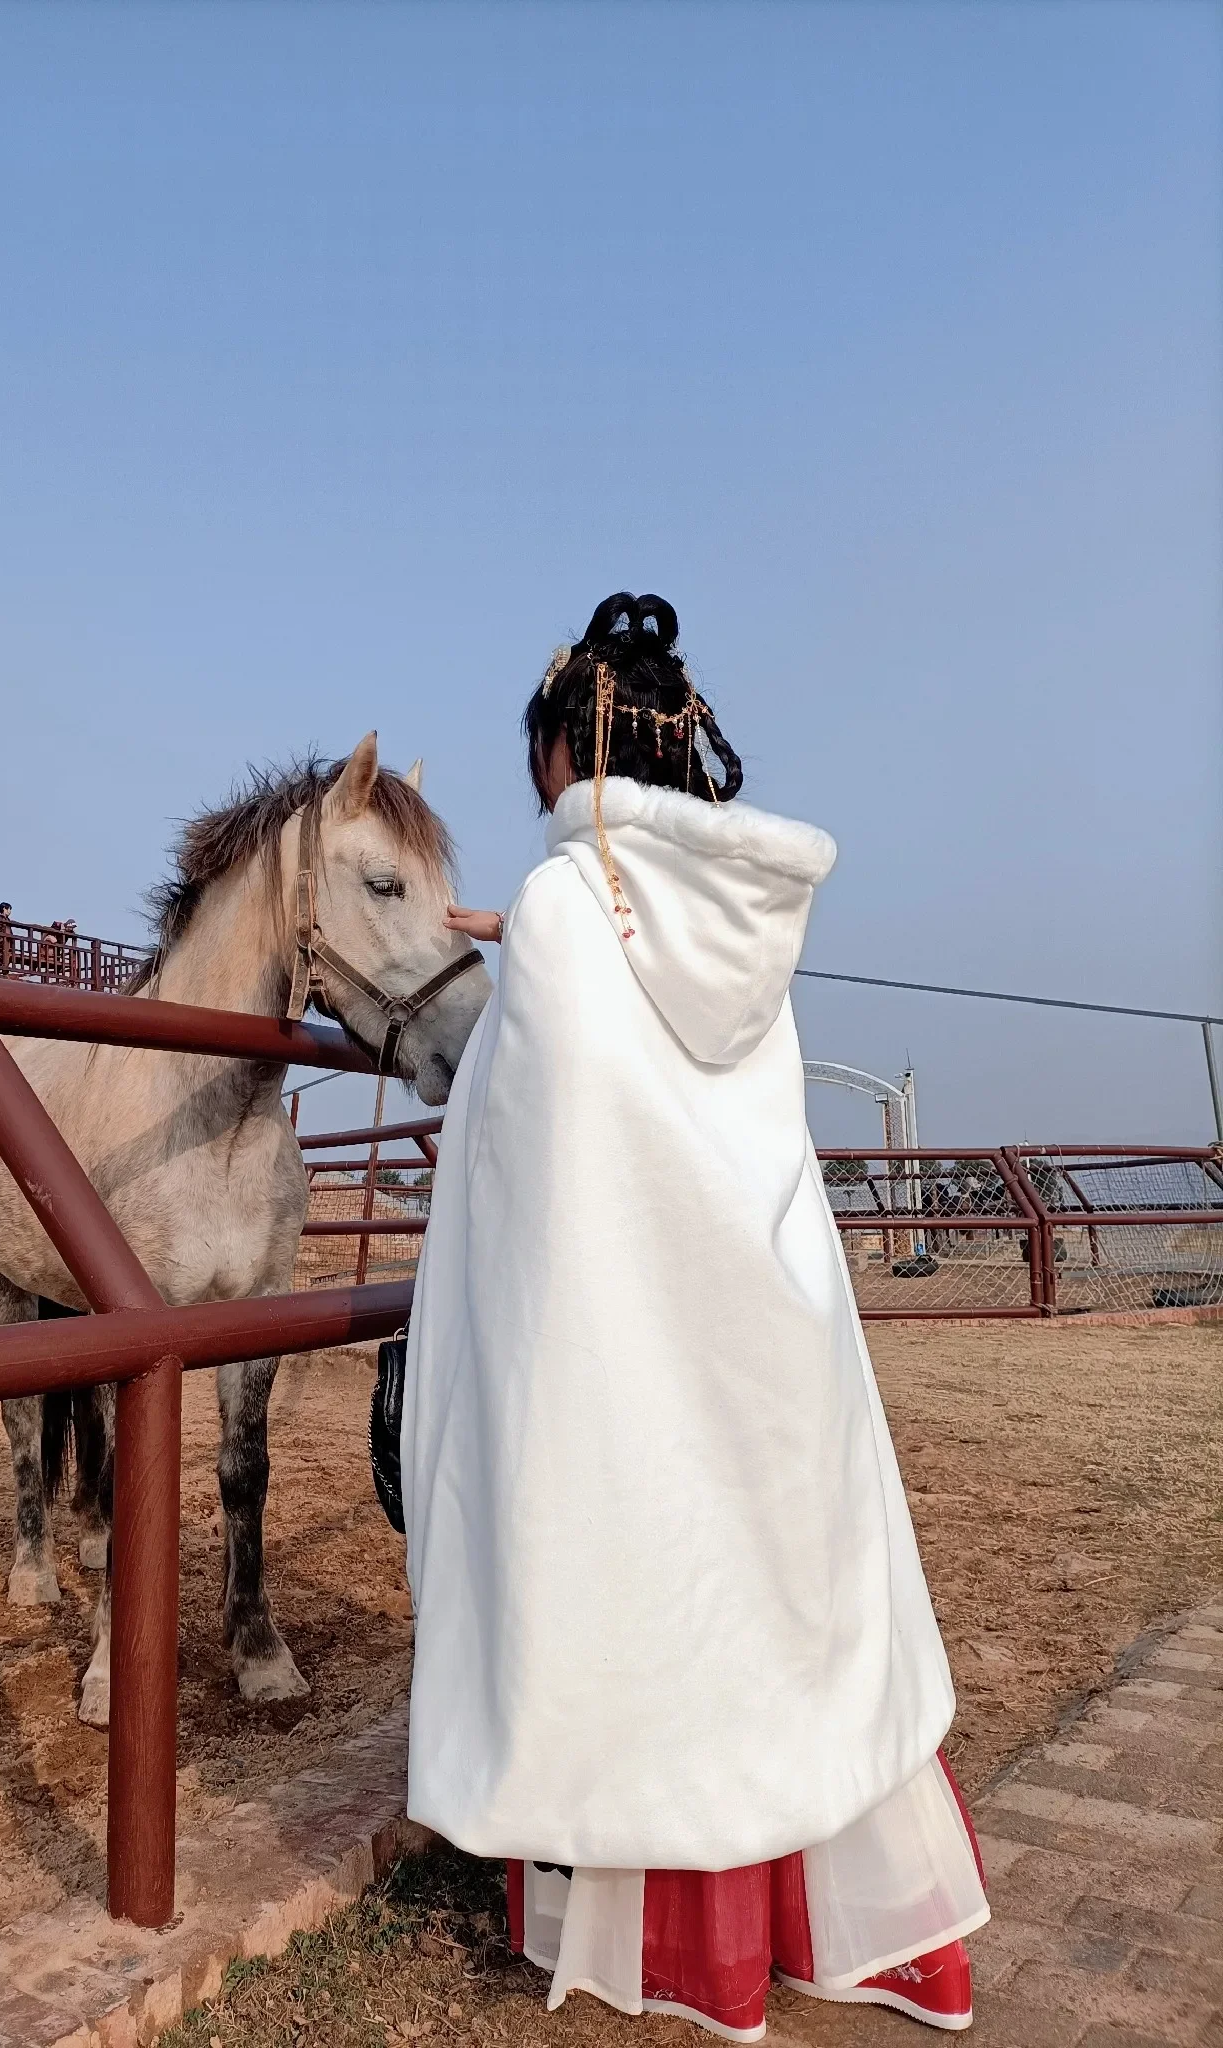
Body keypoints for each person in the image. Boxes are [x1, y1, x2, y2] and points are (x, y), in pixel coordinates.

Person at [404, 594, 988, 2041]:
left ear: (561, 754)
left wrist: (512, 949)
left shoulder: (557, 908)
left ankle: (689, 1951)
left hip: (631, 1340)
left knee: (652, 1606)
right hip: (766, 1323)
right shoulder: (739, 936)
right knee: (786, 1617)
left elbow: (548, 1150)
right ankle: (858, 1931)